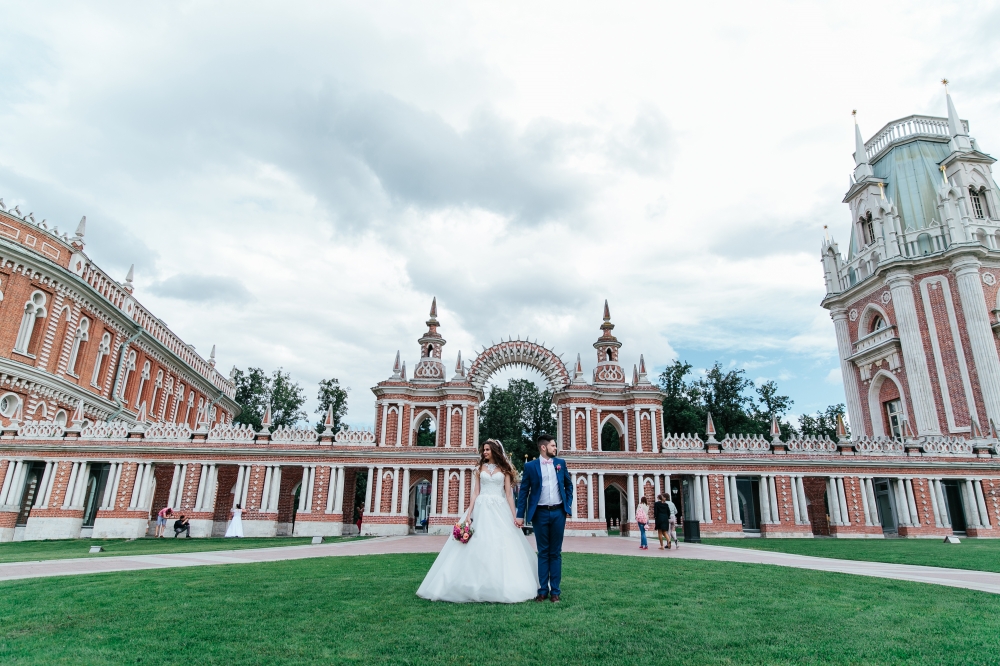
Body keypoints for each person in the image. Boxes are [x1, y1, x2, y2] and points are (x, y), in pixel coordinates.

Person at [417, 439, 538, 603]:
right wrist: (469, 513)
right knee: (476, 543)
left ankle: (499, 585)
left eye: (487, 449)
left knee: (500, 544)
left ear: (495, 451)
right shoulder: (480, 468)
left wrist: (514, 515)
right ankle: (470, 583)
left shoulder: (505, 469)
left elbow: (509, 495)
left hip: (499, 508)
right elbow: (475, 492)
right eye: (484, 450)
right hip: (481, 508)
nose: (484, 452)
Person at [515, 433, 573, 603]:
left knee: (555, 553)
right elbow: (523, 491)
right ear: (543, 447)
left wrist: (567, 505)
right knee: (543, 552)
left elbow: (569, 485)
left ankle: (555, 591)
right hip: (539, 513)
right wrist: (520, 515)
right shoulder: (530, 466)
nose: (555, 448)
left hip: (558, 512)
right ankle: (542, 590)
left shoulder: (560, 463)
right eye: (553, 445)